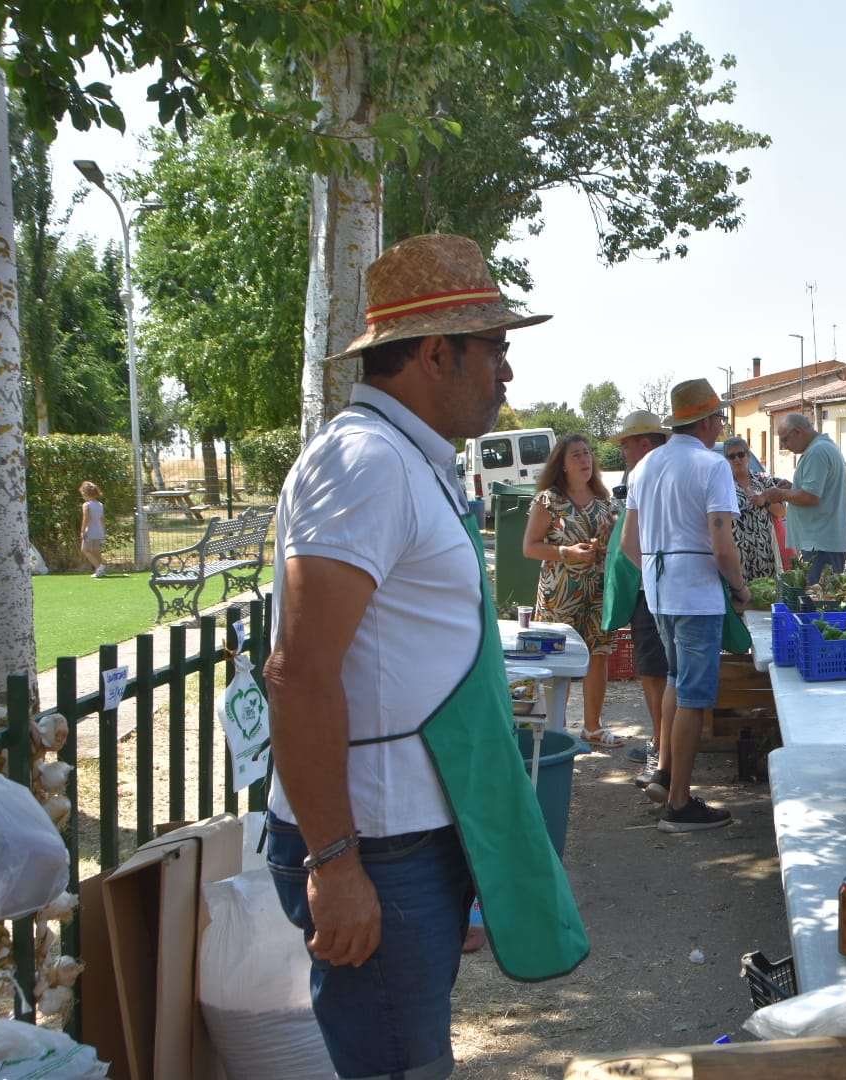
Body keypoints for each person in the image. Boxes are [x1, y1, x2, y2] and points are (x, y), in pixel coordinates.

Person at [263, 233, 584, 1079]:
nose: (507, 373)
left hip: (406, 835)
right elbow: (298, 671)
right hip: (372, 841)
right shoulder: (365, 461)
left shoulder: (406, 458)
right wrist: (334, 864)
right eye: (497, 350)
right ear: (437, 353)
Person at [620, 378, 751, 832]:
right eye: (719, 418)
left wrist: (661, 570)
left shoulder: (645, 466)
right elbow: (722, 543)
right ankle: (678, 805)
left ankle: (664, 774)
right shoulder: (710, 465)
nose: (721, 427)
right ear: (709, 421)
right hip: (695, 593)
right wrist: (739, 587)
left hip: (659, 591)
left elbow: (628, 544)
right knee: (695, 696)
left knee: (677, 680)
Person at [524, 434, 622, 745]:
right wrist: (568, 553)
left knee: (599, 654)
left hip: (597, 589)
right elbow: (530, 547)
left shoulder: (605, 502)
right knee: (557, 658)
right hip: (561, 593)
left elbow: (614, 548)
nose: (585, 460)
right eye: (576, 456)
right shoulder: (548, 501)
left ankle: (592, 727)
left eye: (587, 454)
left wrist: (610, 537)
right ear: (562, 466)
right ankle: (555, 729)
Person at [608, 410, 672, 782]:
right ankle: (661, 745)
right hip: (681, 590)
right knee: (669, 673)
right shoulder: (680, 470)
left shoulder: (641, 476)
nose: (624, 454)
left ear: (644, 444)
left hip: (652, 591)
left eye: (627, 446)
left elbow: (630, 546)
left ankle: (662, 750)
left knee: (655, 673)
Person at [765, 412, 846, 583]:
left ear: (798, 432)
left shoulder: (817, 452)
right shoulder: (823, 447)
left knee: (818, 600)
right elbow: (817, 490)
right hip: (822, 541)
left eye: (785, 439)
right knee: (819, 597)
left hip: (821, 543)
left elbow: (810, 496)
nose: (783, 445)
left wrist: (780, 494)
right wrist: (794, 488)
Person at [723, 435, 784, 583]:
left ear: (748, 455)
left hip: (764, 550)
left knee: (766, 595)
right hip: (738, 551)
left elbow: (782, 512)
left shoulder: (763, 480)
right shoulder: (723, 484)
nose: (737, 459)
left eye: (740, 454)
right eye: (731, 456)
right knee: (741, 598)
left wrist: (765, 502)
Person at [78, 481, 106, 578]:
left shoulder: (86, 505)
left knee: (85, 550)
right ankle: (102, 566)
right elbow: (102, 519)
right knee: (96, 550)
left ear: (85, 493)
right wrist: (103, 531)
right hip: (99, 530)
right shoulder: (100, 504)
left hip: (90, 530)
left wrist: (82, 531)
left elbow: (86, 518)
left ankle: (99, 568)